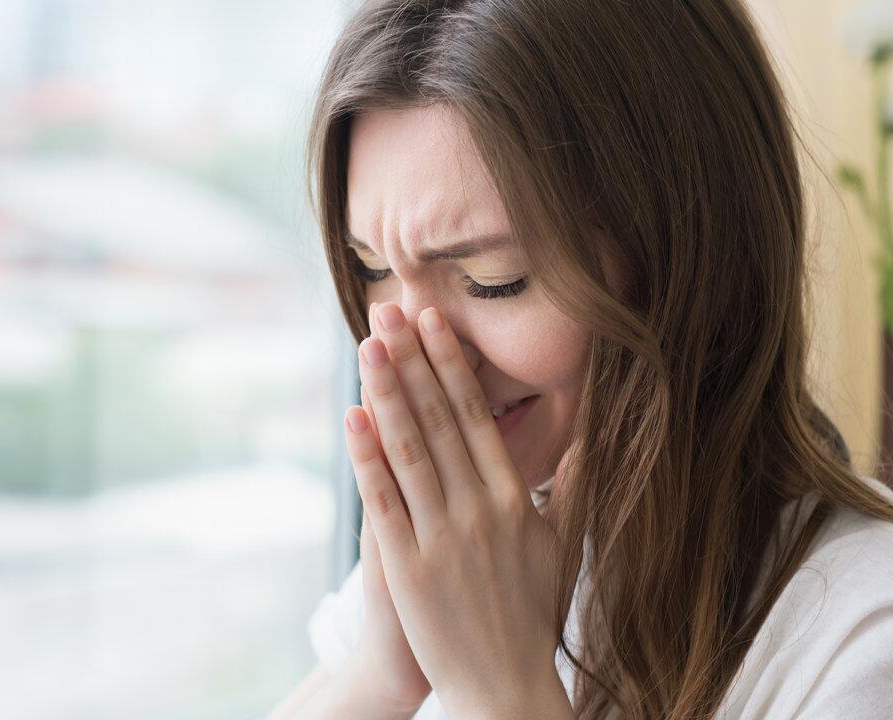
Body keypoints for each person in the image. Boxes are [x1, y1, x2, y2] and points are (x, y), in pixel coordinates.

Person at [268, 0, 893, 717]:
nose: (402, 353)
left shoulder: (864, 636)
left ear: (688, 260)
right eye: (372, 266)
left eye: (492, 279)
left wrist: (501, 691)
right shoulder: (477, 545)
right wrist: (386, 672)